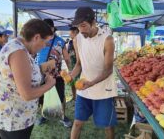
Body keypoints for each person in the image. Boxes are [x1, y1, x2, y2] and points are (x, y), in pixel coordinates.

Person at [0, 19, 55, 139]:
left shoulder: (18, 46)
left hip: (13, 118)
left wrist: (42, 68)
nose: (44, 47)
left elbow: (20, 74)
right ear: (36, 37)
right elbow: (27, 94)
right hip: (14, 122)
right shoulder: (18, 53)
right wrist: (50, 84)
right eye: (45, 42)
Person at [70, 7, 118, 139]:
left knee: (108, 125)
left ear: (94, 22)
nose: (81, 30)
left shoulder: (107, 40)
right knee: (78, 123)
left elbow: (108, 70)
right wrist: (71, 75)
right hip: (84, 90)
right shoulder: (77, 39)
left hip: (103, 90)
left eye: (83, 25)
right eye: (78, 26)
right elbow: (79, 64)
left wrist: (91, 83)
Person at [36, 19, 72, 128]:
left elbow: (66, 58)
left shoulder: (60, 41)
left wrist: (70, 72)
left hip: (57, 75)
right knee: (42, 96)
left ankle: (62, 116)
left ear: (52, 28)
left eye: (46, 27)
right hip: (41, 74)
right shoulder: (40, 39)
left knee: (61, 96)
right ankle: (44, 115)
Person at [68, 27, 79, 101]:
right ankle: (74, 96)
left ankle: (79, 97)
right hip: (72, 64)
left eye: (70, 33)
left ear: (75, 32)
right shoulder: (71, 42)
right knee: (71, 81)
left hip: (78, 65)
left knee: (78, 81)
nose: (69, 34)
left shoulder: (81, 41)